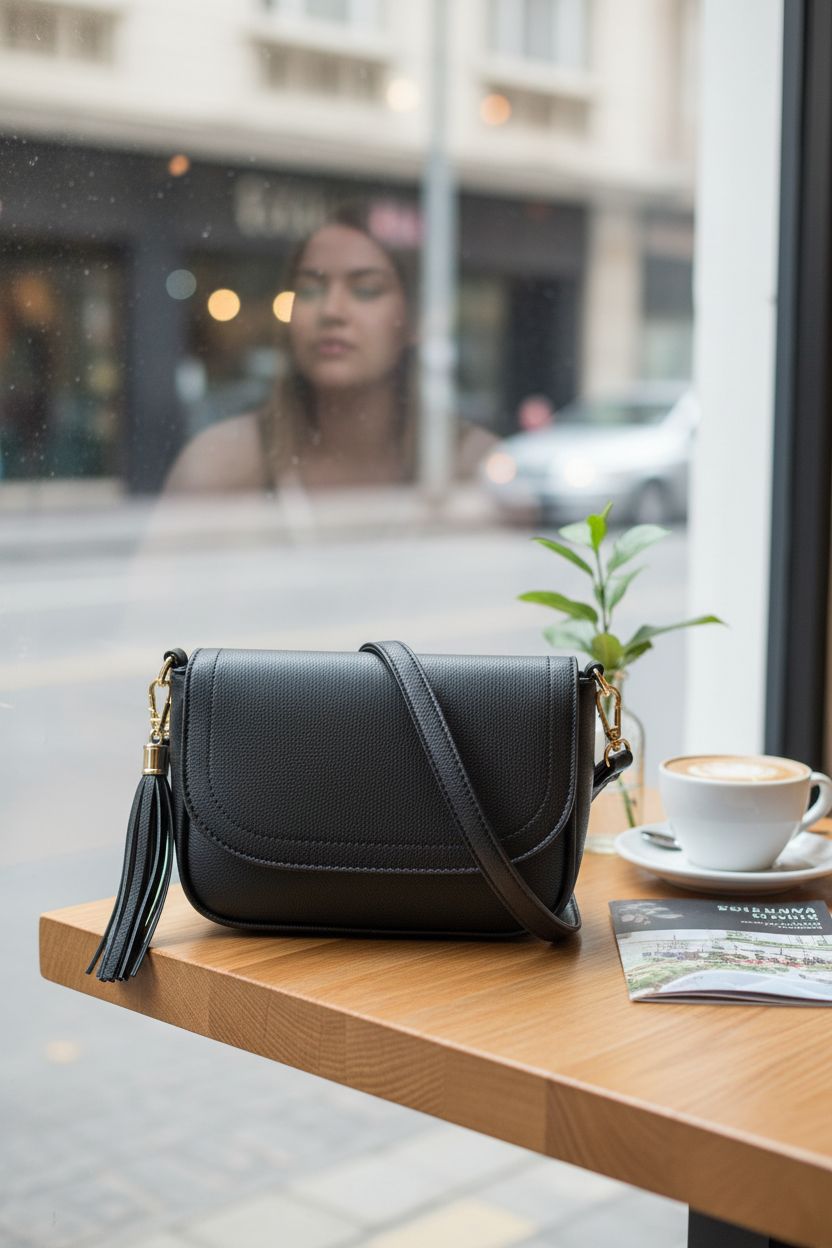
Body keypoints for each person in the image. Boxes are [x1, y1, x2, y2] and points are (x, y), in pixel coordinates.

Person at [163, 205, 493, 497]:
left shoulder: (477, 468)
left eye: (366, 290)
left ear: (415, 319)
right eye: (309, 290)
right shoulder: (219, 465)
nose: (331, 310)